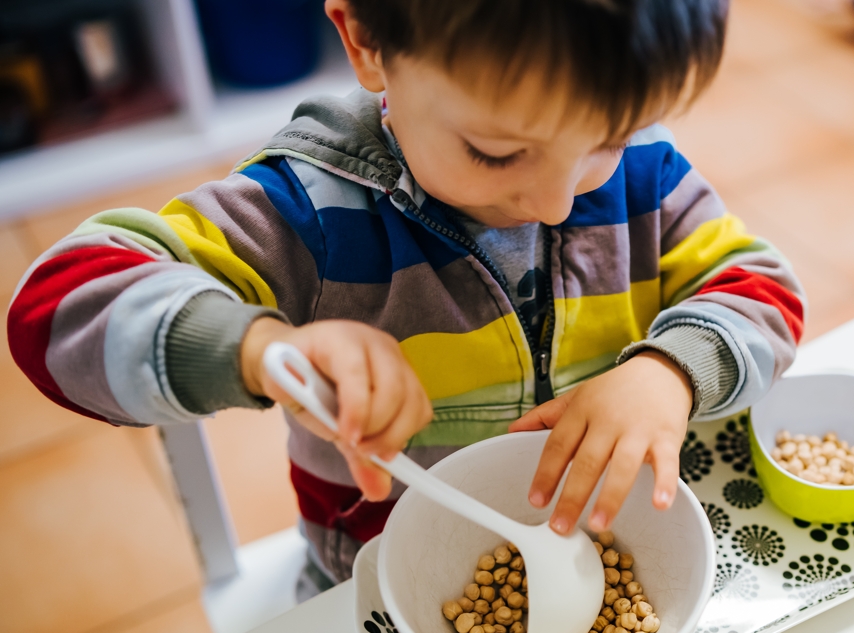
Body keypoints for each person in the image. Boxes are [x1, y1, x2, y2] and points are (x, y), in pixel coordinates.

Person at [6, 0, 805, 598]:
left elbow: (763, 290)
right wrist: (259, 349)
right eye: (498, 152)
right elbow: (58, 306)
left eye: (609, 137)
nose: (560, 201)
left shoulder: (647, 176)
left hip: (606, 545)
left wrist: (672, 368)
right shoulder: (307, 213)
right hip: (373, 586)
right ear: (366, 42)